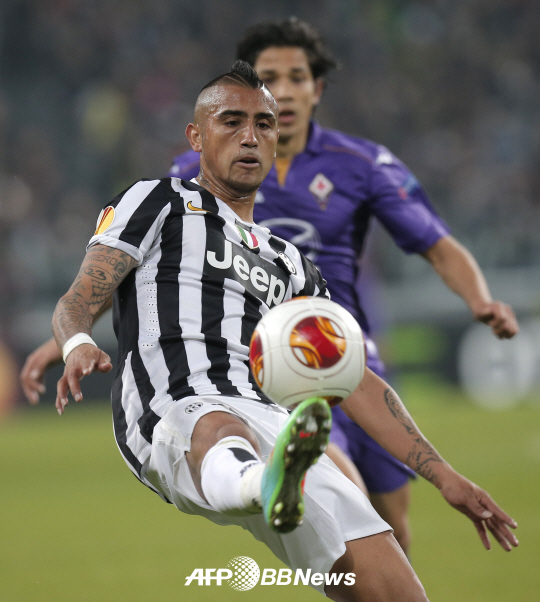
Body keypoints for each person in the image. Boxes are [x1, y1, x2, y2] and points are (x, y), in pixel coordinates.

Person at [20, 18, 519, 556]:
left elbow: (360, 367)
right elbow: (96, 288)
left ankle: (283, 483)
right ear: (197, 136)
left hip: (295, 387)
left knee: (388, 548)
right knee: (241, 435)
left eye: (265, 121)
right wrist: (73, 340)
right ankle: (267, 482)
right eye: (232, 120)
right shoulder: (164, 197)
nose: (250, 135)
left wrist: (445, 475)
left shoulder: (305, 247)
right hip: (189, 402)